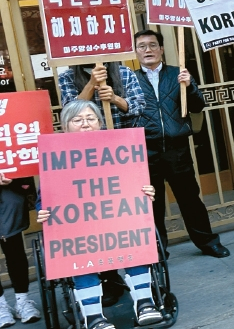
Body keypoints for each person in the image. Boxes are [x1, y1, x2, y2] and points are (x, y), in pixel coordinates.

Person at [37, 100, 162, 329]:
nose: (85, 124)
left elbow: (132, 182)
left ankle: (144, 303)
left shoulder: (116, 148)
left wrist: (146, 192)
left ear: (100, 123)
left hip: (116, 221)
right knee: (78, 254)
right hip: (78, 228)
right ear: (65, 126)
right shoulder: (55, 155)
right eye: (77, 120)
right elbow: (44, 197)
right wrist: (43, 212)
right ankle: (93, 316)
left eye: (90, 118)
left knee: (134, 239)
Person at [133, 30, 230, 259]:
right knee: (152, 205)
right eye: (142, 46)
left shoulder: (178, 74)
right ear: (136, 52)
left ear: (161, 49)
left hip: (177, 149)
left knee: (190, 200)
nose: (148, 50)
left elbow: (198, 106)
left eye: (153, 45)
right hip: (146, 150)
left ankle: (208, 242)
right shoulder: (131, 79)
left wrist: (190, 86)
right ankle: (156, 250)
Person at [0, 172, 40, 326]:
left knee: (15, 252)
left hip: (10, 197)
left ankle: (22, 301)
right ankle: (1, 305)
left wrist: (16, 178)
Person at [58, 62, 144, 129]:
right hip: (86, 140)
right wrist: (91, 83)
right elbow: (69, 114)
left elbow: (139, 107)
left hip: (123, 138)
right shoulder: (67, 76)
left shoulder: (124, 72)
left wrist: (115, 99)